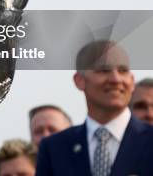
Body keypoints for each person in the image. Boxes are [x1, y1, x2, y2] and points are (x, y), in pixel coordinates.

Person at [36, 40, 153, 176]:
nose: (115, 79)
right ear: (80, 80)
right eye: (104, 70)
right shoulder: (54, 149)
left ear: (132, 81)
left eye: (122, 71)